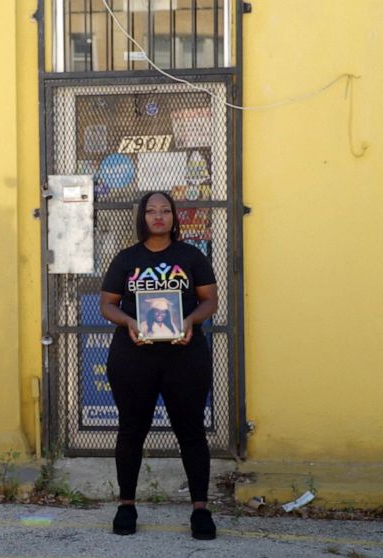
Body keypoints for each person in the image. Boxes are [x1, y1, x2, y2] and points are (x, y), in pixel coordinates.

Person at [99, 190, 218, 540]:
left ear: (174, 217)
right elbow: (107, 304)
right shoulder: (126, 259)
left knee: (191, 431)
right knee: (132, 429)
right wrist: (129, 322)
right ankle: (126, 505)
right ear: (142, 218)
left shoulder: (191, 256)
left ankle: (200, 509)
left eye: (165, 210)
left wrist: (191, 320)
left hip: (185, 356)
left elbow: (209, 300)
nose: (158, 216)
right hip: (133, 357)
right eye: (151, 211)